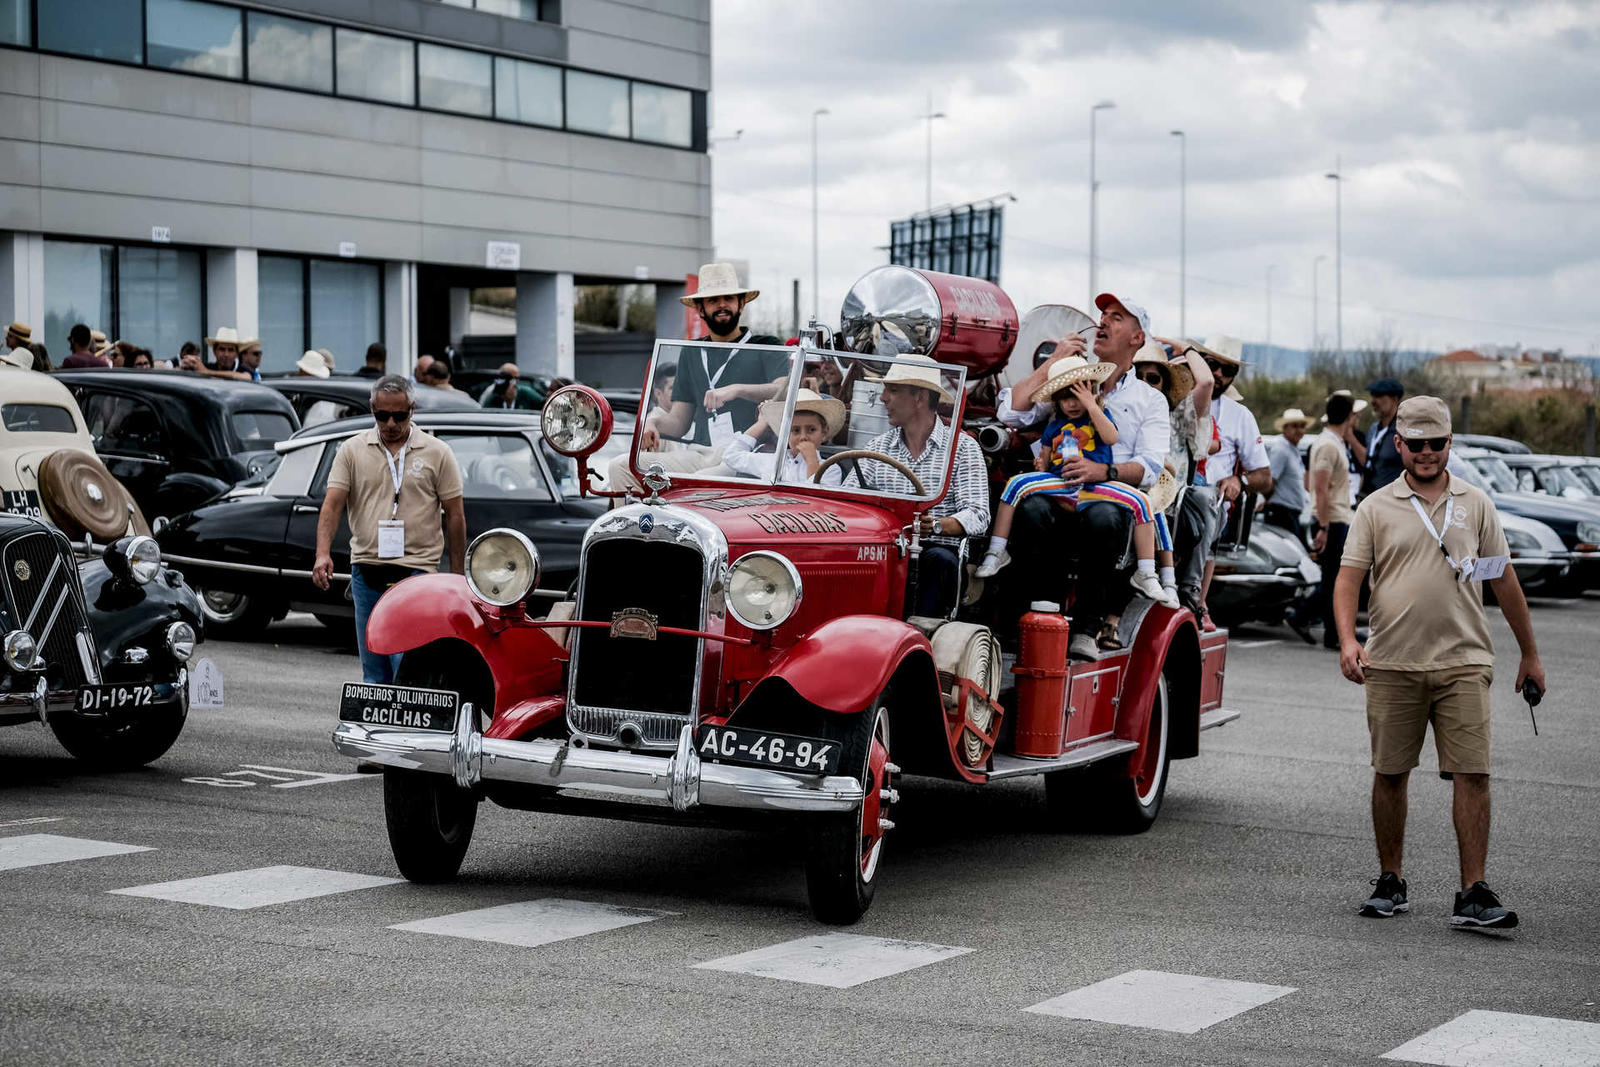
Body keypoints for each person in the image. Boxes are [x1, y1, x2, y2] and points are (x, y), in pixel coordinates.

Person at [1334, 395, 1544, 930]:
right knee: (1390, 772)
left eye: (1437, 443)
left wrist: (1530, 653)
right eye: (1417, 444)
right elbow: (1348, 581)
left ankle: (1473, 891)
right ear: (1400, 444)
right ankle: (1390, 879)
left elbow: (1504, 579)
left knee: (1473, 773)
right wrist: (1347, 641)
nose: (1427, 453)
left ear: (1451, 444)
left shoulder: (1475, 505)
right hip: (1393, 663)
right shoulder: (1376, 507)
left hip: (1465, 661)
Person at [996, 293, 1170, 658]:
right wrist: (1054, 363)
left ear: (1138, 338)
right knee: (1033, 510)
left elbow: (1150, 468)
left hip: (1108, 498)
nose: (1103, 321)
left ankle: (1087, 627)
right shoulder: (1070, 378)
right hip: (1059, 490)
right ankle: (1039, 616)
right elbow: (1010, 414)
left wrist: (1102, 471)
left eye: (1117, 317)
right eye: (1103, 314)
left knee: (1104, 517)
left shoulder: (1149, 399)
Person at [978, 355, 1178, 612]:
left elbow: (1111, 436)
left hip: (1097, 484)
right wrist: (1042, 465)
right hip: (1062, 482)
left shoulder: (1099, 416)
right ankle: (996, 551)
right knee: (1016, 486)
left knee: (1145, 504)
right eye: (1065, 397)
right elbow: (1046, 456)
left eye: (1078, 396)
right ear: (1056, 401)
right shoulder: (1054, 426)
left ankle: (1149, 573)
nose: (1072, 404)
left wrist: (1092, 404)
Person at [312, 376, 466, 684]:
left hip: (417, 571)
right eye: (382, 415)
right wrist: (322, 554)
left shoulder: (437, 452)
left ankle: (406, 729)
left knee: (406, 664)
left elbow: (456, 515)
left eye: (400, 415)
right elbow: (332, 506)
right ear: (372, 410)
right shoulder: (352, 450)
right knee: (373, 663)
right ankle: (374, 730)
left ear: (413, 409)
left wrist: (457, 575)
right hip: (366, 568)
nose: (391, 423)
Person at [854, 355, 988, 617]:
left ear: (920, 398)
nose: (883, 398)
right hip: (883, 551)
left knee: (938, 560)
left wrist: (937, 525)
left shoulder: (962, 447)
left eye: (892, 390)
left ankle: (919, 635)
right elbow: (850, 501)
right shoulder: (876, 448)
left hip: (935, 551)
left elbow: (978, 514)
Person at [639, 262, 786, 451]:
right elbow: (679, 421)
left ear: (741, 305)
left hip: (749, 454)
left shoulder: (767, 345)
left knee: (701, 477)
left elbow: (783, 389)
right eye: (713, 300)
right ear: (701, 310)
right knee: (620, 466)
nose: (722, 304)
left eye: (729, 298)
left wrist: (737, 390)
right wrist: (652, 423)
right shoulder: (691, 350)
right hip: (701, 452)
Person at [1196, 337, 1272, 628]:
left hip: (1213, 502)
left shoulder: (1240, 416)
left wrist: (1238, 479)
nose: (1218, 375)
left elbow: (1264, 478)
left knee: (1206, 508)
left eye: (1228, 370)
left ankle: (1198, 600)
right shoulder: (1173, 401)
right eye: (1213, 365)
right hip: (1170, 491)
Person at [1308, 392, 1357, 649]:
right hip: (1332, 518)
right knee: (1333, 579)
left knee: (1334, 578)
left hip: (1337, 517)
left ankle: (1332, 629)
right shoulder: (1328, 444)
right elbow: (1321, 487)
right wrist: (1324, 526)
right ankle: (1331, 633)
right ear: (1349, 416)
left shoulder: (1335, 442)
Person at [722, 388, 845, 486]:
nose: (803, 437)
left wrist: (812, 461)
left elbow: (817, 500)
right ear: (786, 434)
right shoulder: (773, 462)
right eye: (795, 430)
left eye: (811, 430)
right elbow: (732, 456)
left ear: (823, 434)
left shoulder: (831, 470)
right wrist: (762, 423)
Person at [1264, 408, 1311, 535]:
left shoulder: (1291, 449)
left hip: (1289, 513)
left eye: (1302, 426)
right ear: (1285, 428)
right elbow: (1269, 482)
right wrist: (1268, 501)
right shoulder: (1281, 450)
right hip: (1282, 513)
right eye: (1295, 426)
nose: (1300, 430)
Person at [1359, 378, 1406, 499]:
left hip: (1394, 500)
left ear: (1395, 399)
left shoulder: (1403, 431)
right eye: (1372, 395)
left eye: (1379, 396)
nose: (1373, 401)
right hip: (1370, 498)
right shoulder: (1373, 429)